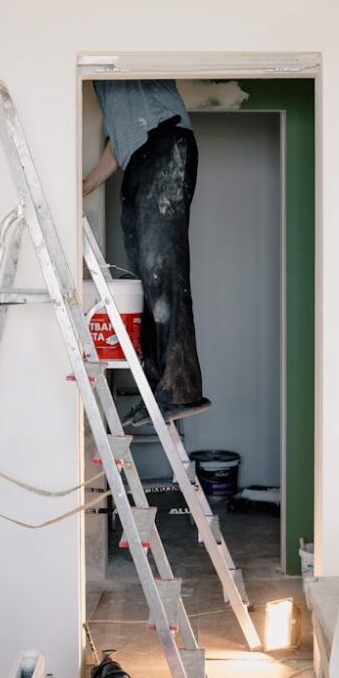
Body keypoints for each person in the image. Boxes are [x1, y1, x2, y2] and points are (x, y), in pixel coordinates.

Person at [83, 79, 210, 426]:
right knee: (149, 280)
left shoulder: (120, 53)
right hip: (137, 158)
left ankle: (181, 389)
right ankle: (160, 392)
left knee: (163, 271)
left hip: (163, 142)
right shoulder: (102, 85)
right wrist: (83, 188)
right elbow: (117, 146)